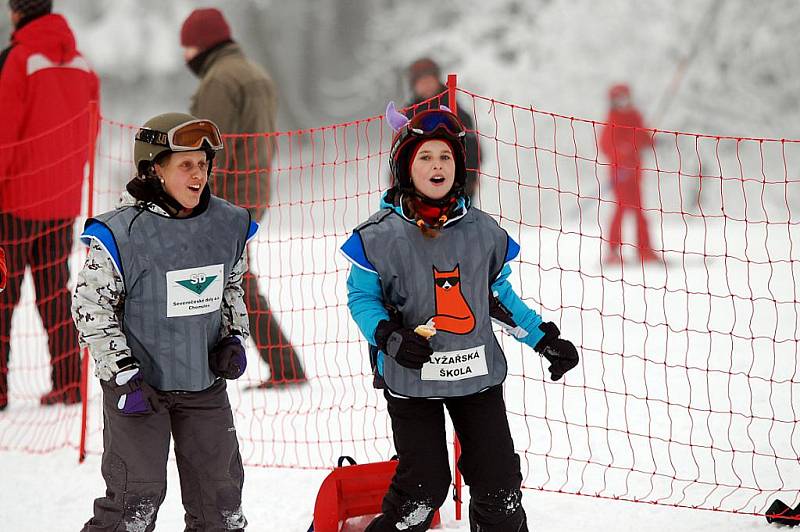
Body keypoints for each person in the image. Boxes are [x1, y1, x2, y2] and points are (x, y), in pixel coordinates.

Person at [339, 104, 580, 531]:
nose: (437, 166)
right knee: (422, 490)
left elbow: (496, 299)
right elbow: (362, 299)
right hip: (413, 376)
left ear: (460, 166)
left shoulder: (482, 232)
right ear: (405, 167)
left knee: (498, 484)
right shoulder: (378, 236)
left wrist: (543, 339)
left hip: (475, 375)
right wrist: (389, 338)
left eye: (446, 157)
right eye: (425, 157)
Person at [73, 114, 253, 531]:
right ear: (154, 168)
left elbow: (232, 287)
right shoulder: (123, 232)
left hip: (203, 387)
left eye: (203, 164)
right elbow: (91, 309)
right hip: (139, 389)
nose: (198, 174)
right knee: (135, 505)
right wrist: (122, 375)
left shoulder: (226, 225)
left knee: (221, 503)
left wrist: (232, 338)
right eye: (185, 164)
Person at [180, 7, 306, 388]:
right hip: (253, 190)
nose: (185, 56)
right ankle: (276, 364)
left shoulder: (220, 80)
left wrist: (196, 199)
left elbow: (209, 148)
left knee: (227, 283)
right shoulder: (255, 73)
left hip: (226, 195)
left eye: (187, 47)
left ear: (200, 44)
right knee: (230, 279)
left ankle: (281, 365)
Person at [0, 0, 100, 408]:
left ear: (17, 12)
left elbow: (4, 131)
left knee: (3, 294)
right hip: (62, 201)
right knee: (54, 292)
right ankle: (68, 383)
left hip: (13, 201)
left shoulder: (17, 59)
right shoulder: (83, 65)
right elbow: (90, 132)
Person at [405, 57, 481, 197]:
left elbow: (472, 147)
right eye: (421, 81)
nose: (426, 85)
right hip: (417, 188)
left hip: (457, 185)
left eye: (429, 79)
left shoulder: (457, 111)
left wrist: (470, 179)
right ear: (414, 86)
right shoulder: (408, 115)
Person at [599, 83, 657, 264]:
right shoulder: (612, 119)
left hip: (635, 174)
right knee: (621, 210)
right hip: (620, 175)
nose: (623, 102)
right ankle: (612, 251)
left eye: (625, 98)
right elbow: (606, 146)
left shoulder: (635, 117)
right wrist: (624, 153)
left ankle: (644, 250)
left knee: (639, 212)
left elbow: (643, 138)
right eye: (619, 99)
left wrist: (648, 141)